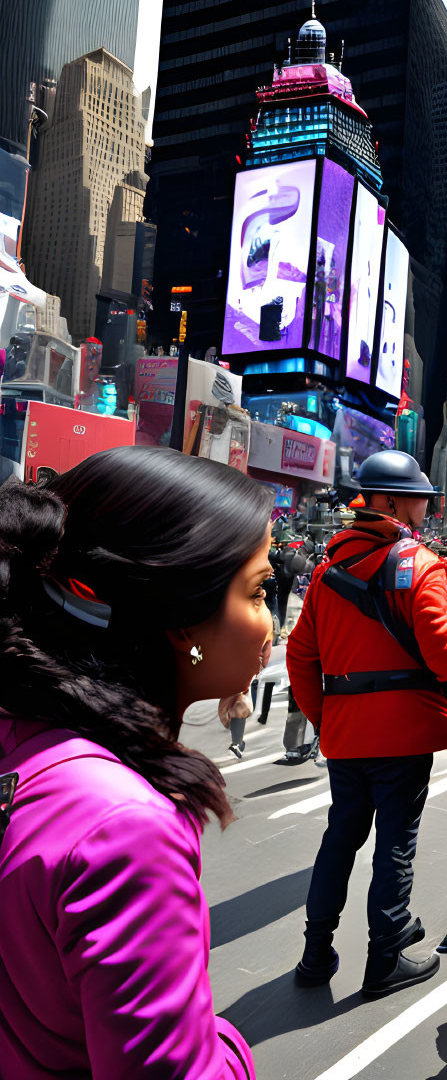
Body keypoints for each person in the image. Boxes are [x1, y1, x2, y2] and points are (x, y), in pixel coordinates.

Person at [0, 449, 273, 1078]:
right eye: (258, 591)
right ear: (182, 622)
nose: (270, 625)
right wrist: (222, 1040)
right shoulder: (125, 829)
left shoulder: (25, 729)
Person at [285, 450, 447, 998]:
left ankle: (315, 954)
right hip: (403, 734)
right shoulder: (422, 565)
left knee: (339, 839)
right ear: (392, 502)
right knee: (395, 844)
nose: (426, 506)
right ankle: (385, 957)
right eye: (419, 497)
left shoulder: (325, 571)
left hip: (347, 736)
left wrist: (330, 718)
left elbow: (301, 656)